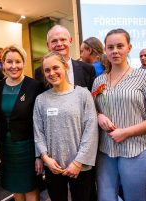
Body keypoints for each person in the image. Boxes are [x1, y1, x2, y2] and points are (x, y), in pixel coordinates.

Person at [93, 29, 146, 201]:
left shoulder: (144, 77)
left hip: (135, 151)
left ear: (129, 47)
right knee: (105, 198)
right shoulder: (99, 81)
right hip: (105, 151)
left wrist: (126, 132)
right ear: (105, 50)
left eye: (120, 46)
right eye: (110, 47)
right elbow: (92, 110)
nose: (115, 51)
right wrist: (98, 116)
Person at [33, 51, 98, 201]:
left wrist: (78, 162)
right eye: (47, 70)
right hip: (53, 166)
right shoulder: (41, 100)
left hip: (80, 166)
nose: (52, 73)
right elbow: (38, 132)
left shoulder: (83, 94)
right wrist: (45, 158)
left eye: (56, 68)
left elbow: (91, 130)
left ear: (66, 67)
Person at [0, 45, 44, 201]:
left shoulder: (34, 86)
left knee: (30, 188)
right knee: (15, 188)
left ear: (24, 63)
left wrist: (39, 155)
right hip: (6, 149)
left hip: (27, 148)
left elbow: (40, 123)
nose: (13, 66)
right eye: (9, 62)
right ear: (3, 64)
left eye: (18, 61)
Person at [34, 25, 96, 91]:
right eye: (54, 41)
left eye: (63, 39)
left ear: (70, 41)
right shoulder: (40, 72)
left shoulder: (87, 69)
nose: (59, 44)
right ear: (48, 45)